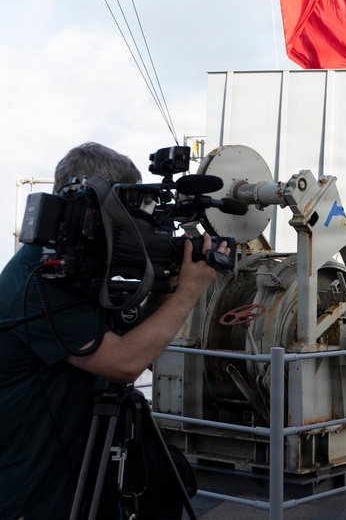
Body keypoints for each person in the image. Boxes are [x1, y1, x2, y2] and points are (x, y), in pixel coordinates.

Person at [0, 142, 229, 519]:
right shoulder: (40, 278)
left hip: (81, 479)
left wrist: (168, 285)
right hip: (35, 494)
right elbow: (124, 363)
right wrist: (189, 291)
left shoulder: (75, 267)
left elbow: (128, 340)